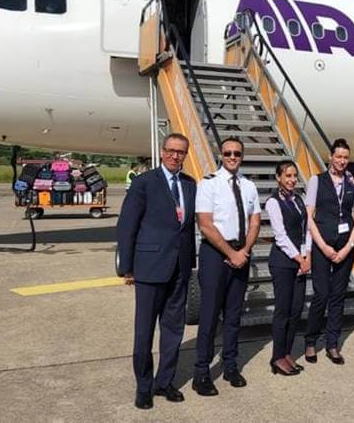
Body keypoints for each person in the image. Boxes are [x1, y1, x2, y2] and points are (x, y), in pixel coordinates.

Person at [115, 133, 196, 410]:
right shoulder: (143, 183)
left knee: (173, 330)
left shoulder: (190, 184)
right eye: (171, 151)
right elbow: (127, 226)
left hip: (180, 268)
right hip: (149, 268)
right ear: (162, 152)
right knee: (144, 331)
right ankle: (144, 386)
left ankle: (165, 382)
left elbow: (187, 228)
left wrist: (190, 262)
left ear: (186, 155)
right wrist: (126, 266)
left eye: (181, 152)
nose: (176, 156)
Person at [192, 136, 261, 396]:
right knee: (209, 317)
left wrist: (243, 251)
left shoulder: (249, 186)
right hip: (215, 255)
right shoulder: (208, 184)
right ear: (221, 155)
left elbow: (255, 223)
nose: (233, 157)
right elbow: (206, 225)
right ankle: (202, 373)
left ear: (242, 157)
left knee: (234, 316)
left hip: (241, 253)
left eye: (237, 154)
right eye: (228, 153)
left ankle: (231, 366)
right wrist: (231, 252)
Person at [304, 138, 354, 365]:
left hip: (345, 248)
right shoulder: (316, 181)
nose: (341, 161)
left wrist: (348, 246)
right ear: (330, 157)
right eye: (338, 156)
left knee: (338, 296)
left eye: (345, 157)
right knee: (321, 295)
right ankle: (311, 341)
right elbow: (309, 217)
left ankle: (332, 344)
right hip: (323, 246)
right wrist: (323, 247)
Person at [263, 160, 311, 376]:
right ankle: (277, 356)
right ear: (278, 178)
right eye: (287, 176)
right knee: (282, 311)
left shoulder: (298, 200)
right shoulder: (273, 202)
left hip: (300, 260)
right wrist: (299, 258)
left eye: (294, 176)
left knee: (296, 310)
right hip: (283, 263)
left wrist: (307, 254)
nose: (292, 180)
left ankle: (287, 352)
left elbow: (307, 229)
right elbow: (280, 236)